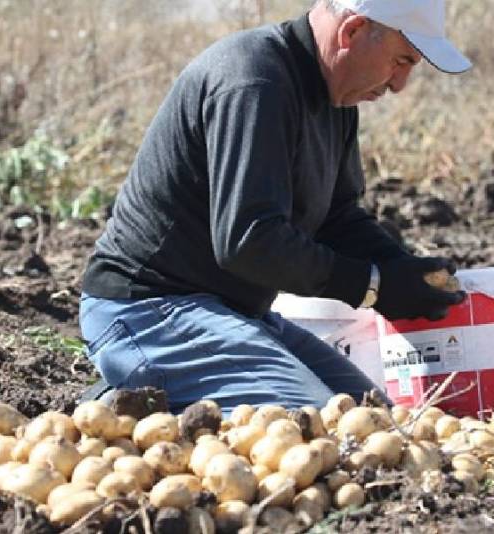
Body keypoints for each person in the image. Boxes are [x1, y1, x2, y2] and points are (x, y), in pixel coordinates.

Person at [78, 0, 471, 413]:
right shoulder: (255, 82)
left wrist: (399, 269)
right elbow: (249, 241)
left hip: (232, 314)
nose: (400, 84)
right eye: (401, 61)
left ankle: (162, 389)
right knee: (317, 432)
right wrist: (369, 285)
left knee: (371, 421)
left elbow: (336, 219)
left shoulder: (335, 100)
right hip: (150, 311)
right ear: (351, 31)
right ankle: (137, 396)